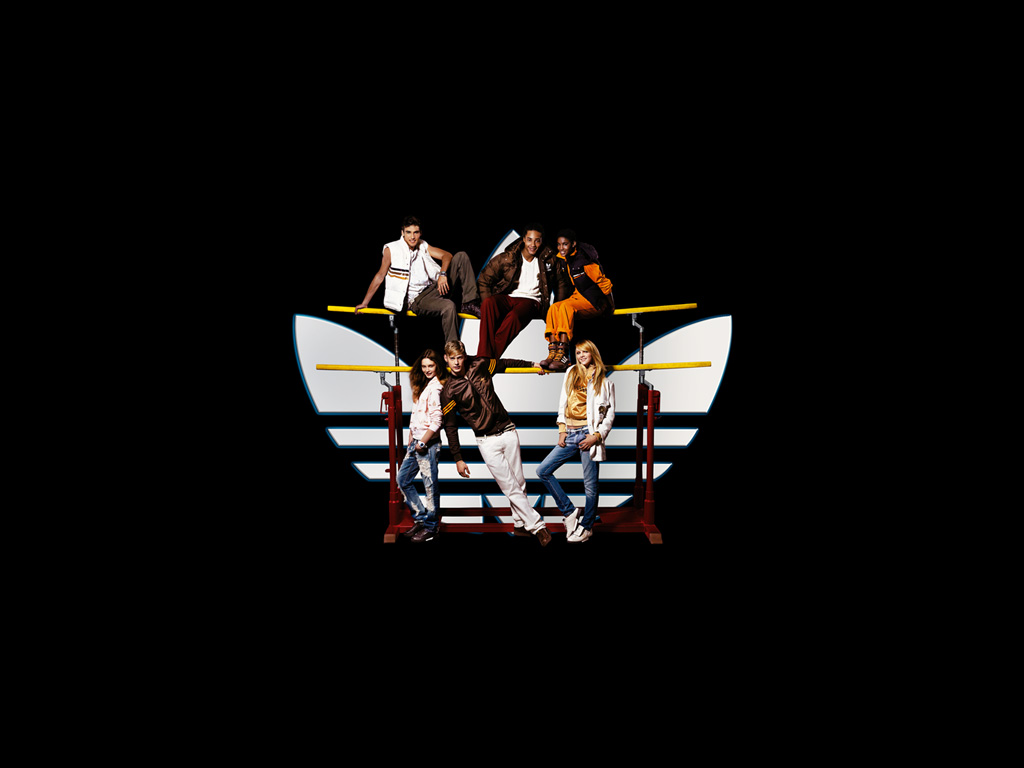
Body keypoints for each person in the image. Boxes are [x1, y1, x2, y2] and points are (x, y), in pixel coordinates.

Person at [440, 340, 553, 546]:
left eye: (459, 357)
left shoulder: (480, 364)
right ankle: (538, 527)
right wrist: (458, 458)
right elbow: (450, 426)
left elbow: (505, 363)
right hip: (487, 441)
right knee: (510, 487)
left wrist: (531, 365)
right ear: (446, 359)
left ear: (464, 356)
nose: (456, 362)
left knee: (519, 483)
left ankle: (519, 525)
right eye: (452, 358)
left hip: (508, 430)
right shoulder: (449, 391)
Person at [535, 339, 615, 543]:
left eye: (585, 352)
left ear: (593, 353)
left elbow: (610, 415)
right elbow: (562, 402)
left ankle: (587, 527)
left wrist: (596, 436)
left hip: (589, 435)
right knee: (543, 470)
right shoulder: (571, 371)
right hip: (570, 433)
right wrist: (562, 429)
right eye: (578, 352)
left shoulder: (605, 382)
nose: (581, 356)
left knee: (590, 485)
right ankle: (570, 512)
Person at [355, 216, 482, 343]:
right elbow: (380, 276)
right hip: (417, 300)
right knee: (449, 306)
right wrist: (365, 302)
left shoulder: (422, 245)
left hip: (433, 289)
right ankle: (453, 351)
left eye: (415, 232)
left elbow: (447, 255)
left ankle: (470, 303)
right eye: (408, 232)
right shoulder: (391, 249)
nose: (412, 237)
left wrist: (443, 274)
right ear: (402, 233)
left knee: (461, 257)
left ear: (420, 233)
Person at [476, 223, 571, 358]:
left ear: (541, 241)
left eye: (537, 241)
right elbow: (484, 278)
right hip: (509, 297)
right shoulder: (508, 257)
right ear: (523, 239)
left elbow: (561, 282)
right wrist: (489, 311)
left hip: (532, 301)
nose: (533, 244)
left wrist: (556, 307)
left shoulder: (549, 259)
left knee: (515, 316)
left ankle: (487, 359)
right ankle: (483, 355)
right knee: (488, 303)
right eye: (529, 240)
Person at [538, 230, 615, 373]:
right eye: (559, 244)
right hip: (579, 296)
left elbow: (605, 284)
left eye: (565, 244)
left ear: (573, 244)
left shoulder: (585, 261)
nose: (561, 248)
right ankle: (554, 352)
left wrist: (611, 305)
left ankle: (564, 356)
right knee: (554, 308)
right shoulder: (565, 258)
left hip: (594, 300)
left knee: (566, 307)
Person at [399, 349, 447, 543]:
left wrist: (421, 442)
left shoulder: (436, 388)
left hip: (427, 445)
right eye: (424, 366)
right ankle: (420, 518)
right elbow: (415, 416)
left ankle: (431, 527)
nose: (427, 369)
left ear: (437, 366)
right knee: (403, 480)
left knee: (430, 488)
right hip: (415, 443)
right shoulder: (423, 386)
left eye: (431, 366)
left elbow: (437, 421)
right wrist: (411, 438)